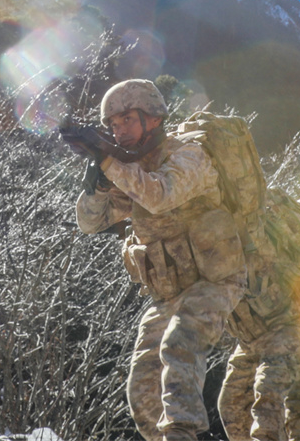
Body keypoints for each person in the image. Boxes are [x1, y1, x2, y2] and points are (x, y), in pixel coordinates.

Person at [67, 79, 248, 441]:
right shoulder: (129, 168)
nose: (119, 131)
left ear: (153, 118)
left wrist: (109, 160)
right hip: (169, 293)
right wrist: (99, 182)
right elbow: (90, 223)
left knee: (180, 344)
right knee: (143, 390)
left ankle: (184, 433)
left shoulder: (188, 155)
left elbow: (159, 194)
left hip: (215, 281)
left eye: (127, 120)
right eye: (113, 125)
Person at [217, 196, 300, 441]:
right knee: (232, 405)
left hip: (288, 326)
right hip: (253, 337)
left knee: (268, 401)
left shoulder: (256, 231)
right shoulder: (210, 241)